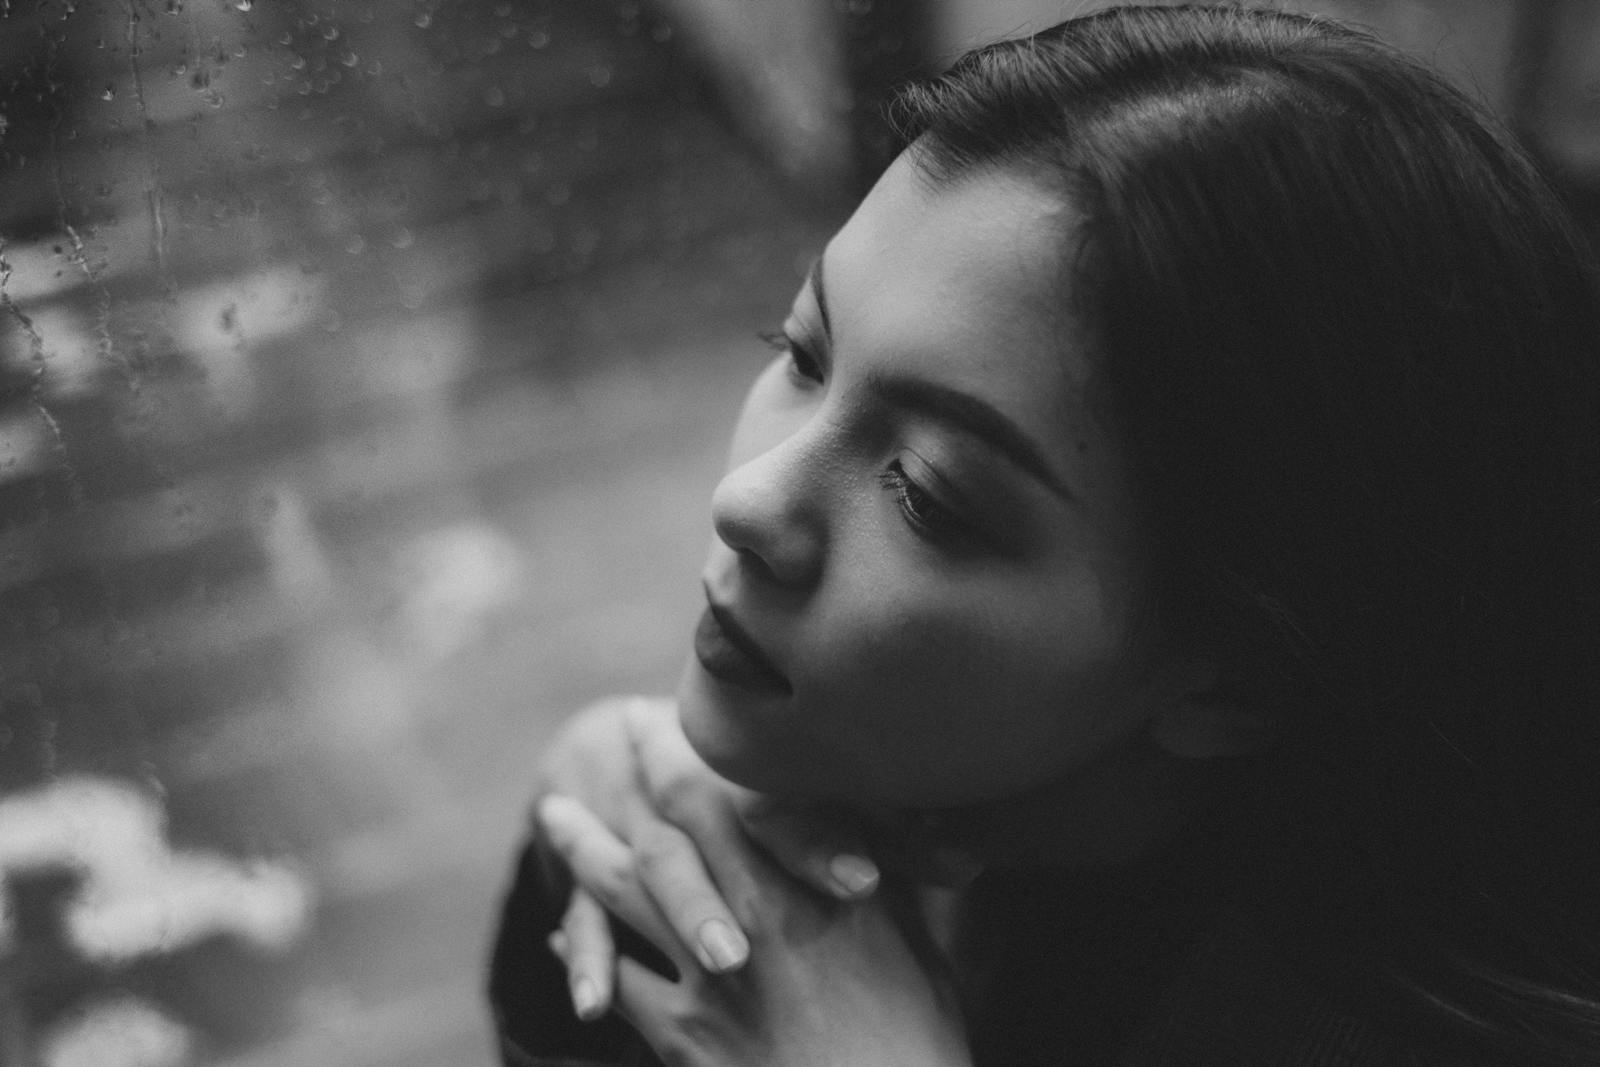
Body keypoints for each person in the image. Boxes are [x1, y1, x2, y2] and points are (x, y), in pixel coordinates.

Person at [489, 5, 1600, 1064]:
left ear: (1232, 682)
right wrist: (600, 843)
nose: (749, 500)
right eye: (802, 351)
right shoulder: (909, 786)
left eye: (925, 493)